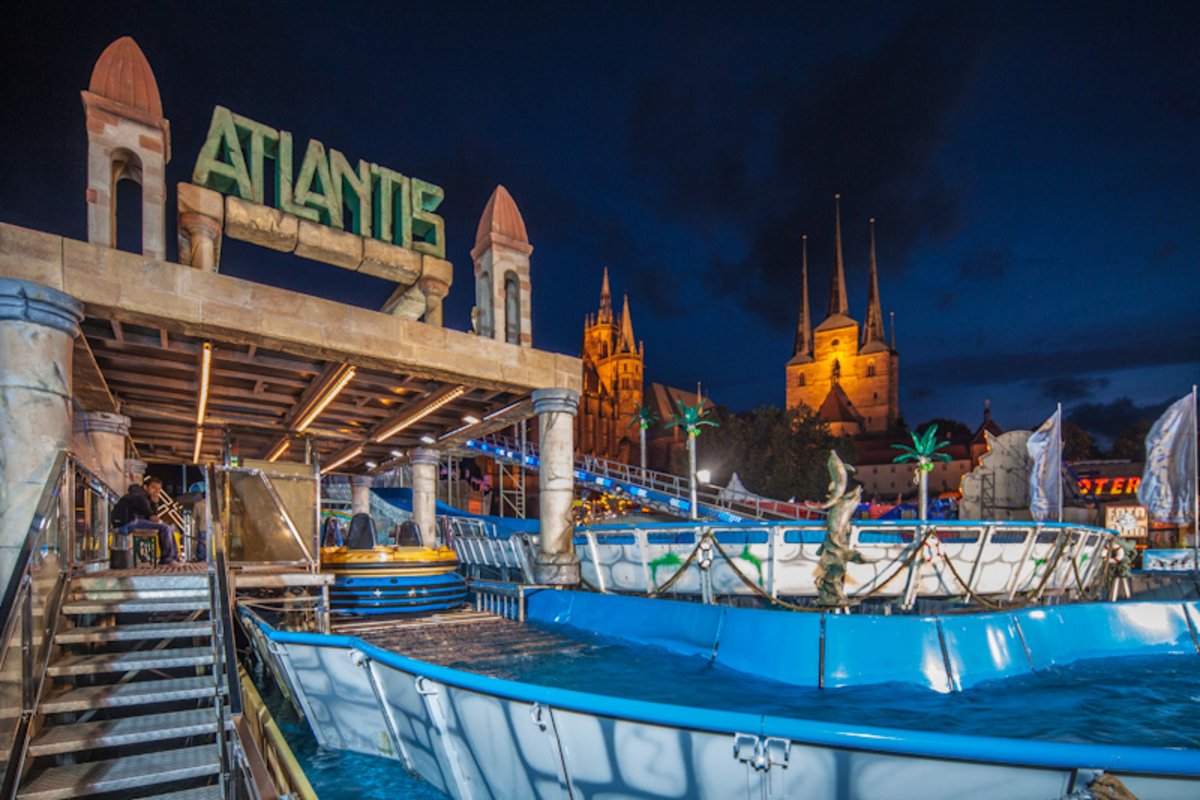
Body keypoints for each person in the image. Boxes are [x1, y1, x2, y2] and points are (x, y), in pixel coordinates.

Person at [112, 477, 183, 566]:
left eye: (158, 489)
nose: (156, 491)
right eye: (153, 487)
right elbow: (152, 517)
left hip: (125, 523)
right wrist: (155, 503)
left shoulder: (139, 495)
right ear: (146, 487)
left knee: (167, 528)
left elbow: (150, 516)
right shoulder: (140, 496)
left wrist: (153, 503)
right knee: (166, 528)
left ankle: (173, 558)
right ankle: (168, 559)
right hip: (127, 523)